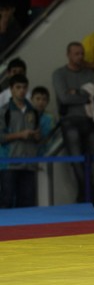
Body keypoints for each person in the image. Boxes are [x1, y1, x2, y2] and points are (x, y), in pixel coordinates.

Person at [52, 42, 94, 201]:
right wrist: (85, 95)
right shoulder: (59, 74)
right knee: (76, 159)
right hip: (70, 121)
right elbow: (64, 98)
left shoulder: (89, 73)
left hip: (89, 120)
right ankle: (85, 191)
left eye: (82, 54)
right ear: (68, 55)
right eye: (76, 54)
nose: (80, 57)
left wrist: (76, 92)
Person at [0, 74, 40, 208]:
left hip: (29, 163)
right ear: (11, 89)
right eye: (18, 87)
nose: (22, 90)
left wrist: (36, 136)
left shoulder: (33, 111)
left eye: (24, 87)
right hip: (9, 163)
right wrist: (20, 135)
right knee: (6, 200)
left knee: (27, 202)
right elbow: (1, 137)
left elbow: (38, 136)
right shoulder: (4, 111)